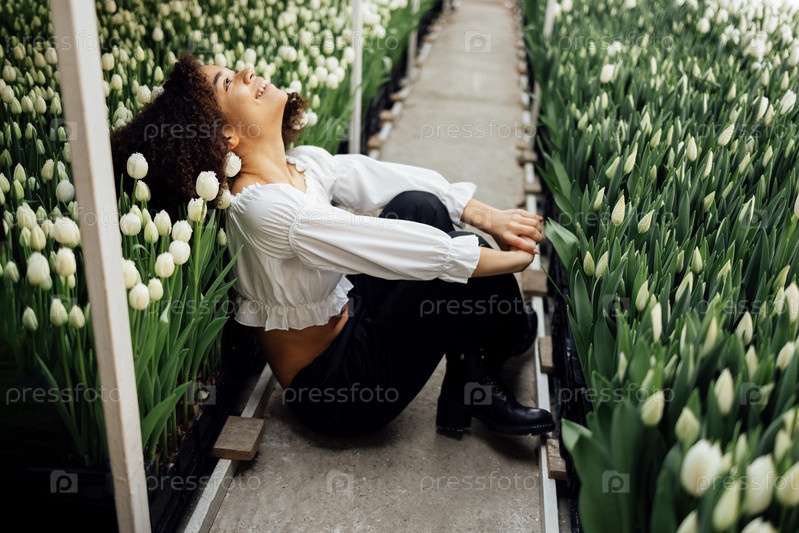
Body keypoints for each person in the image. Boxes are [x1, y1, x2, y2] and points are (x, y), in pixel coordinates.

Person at [111, 53, 555, 438]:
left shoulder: (300, 166)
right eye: (228, 83)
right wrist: (508, 261)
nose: (246, 72)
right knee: (447, 259)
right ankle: (498, 349)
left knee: (420, 207)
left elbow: (379, 178)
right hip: (339, 389)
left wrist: (485, 214)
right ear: (226, 136)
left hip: (352, 316)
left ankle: (473, 371)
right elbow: (385, 244)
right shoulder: (260, 208)